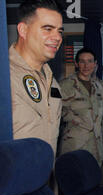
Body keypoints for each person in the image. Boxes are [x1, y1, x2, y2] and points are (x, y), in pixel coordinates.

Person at [9, 0, 64, 157]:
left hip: (46, 178)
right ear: (23, 30)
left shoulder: (51, 81)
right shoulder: (5, 76)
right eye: (48, 29)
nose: (57, 37)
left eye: (60, 31)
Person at [58, 47, 103, 188]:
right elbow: (55, 113)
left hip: (101, 148)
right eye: (82, 62)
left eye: (89, 62)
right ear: (76, 64)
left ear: (95, 64)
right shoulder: (65, 86)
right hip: (76, 146)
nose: (86, 66)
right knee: (78, 188)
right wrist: (74, 119)